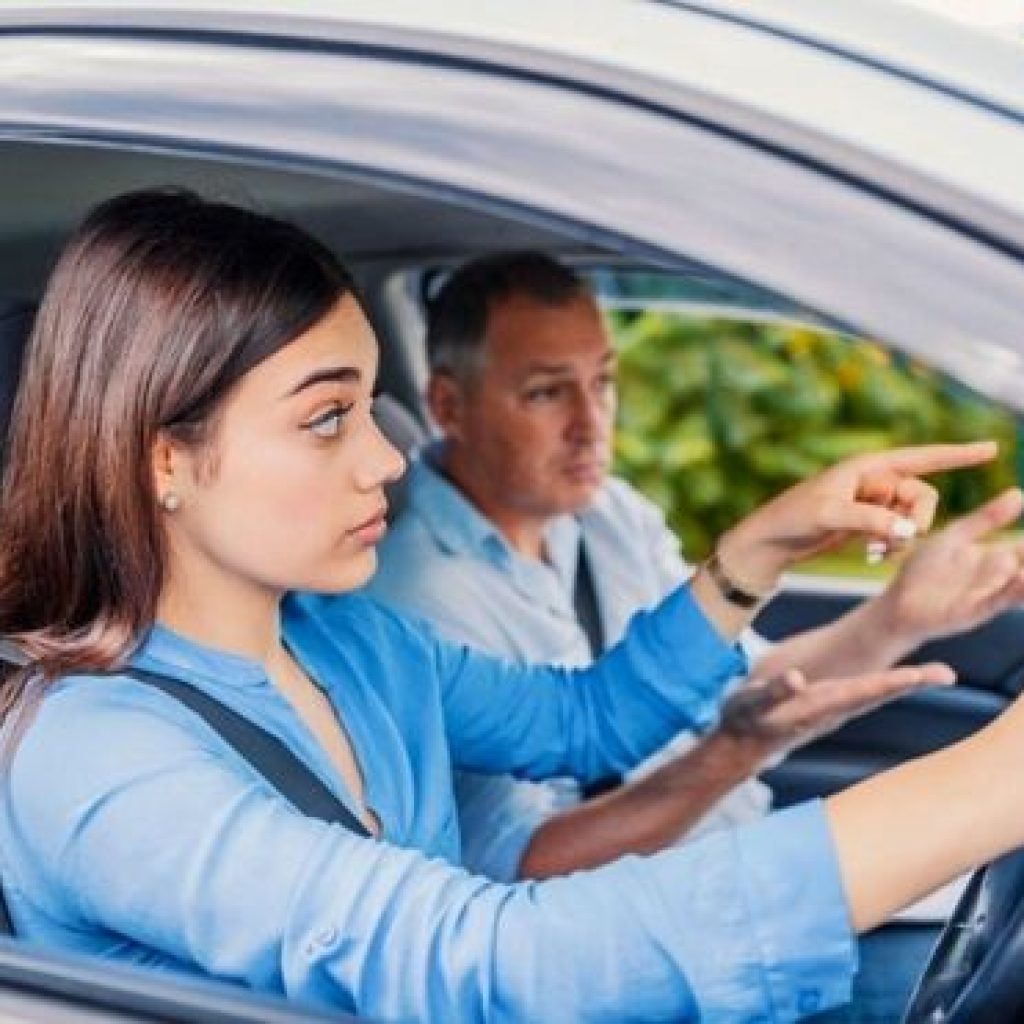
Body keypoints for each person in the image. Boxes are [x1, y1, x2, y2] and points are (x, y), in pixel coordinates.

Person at [2, 190, 1024, 1024]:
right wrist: (985, 785)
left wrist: (759, 546)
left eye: (366, 407)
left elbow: (587, 721)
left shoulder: (352, 641)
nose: (387, 458)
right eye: (326, 419)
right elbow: (489, 960)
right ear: (164, 459)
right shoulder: (98, 756)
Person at [368, 251, 1024, 885]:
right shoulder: (419, 600)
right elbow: (518, 870)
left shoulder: (606, 514)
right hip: (646, 946)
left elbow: (739, 688)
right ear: (449, 407)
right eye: (546, 393)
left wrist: (897, 615)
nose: (591, 425)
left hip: (742, 879)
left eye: (602, 381)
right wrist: (731, 754)